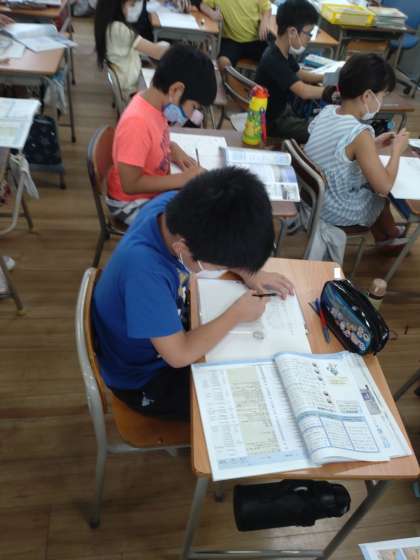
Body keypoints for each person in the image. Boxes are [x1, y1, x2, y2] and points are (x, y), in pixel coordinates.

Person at [93, 166, 294, 420]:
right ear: (183, 249)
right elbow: (179, 354)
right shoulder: (145, 273)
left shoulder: (174, 209)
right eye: (218, 266)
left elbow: (214, 241)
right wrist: (236, 314)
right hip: (144, 378)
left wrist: (249, 272)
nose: (221, 269)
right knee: (245, 406)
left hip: (163, 336)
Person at [304, 53, 410, 249]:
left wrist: (373, 145)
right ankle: (390, 237)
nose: (382, 101)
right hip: (331, 209)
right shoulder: (360, 134)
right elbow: (384, 187)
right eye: (382, 95)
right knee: (380, 198)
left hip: (311, 198)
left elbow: (339, 151)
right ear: (367, 96)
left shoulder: (328, 112)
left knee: (369, 186)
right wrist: (397, 151)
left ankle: (386, 236)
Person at [106, 44, 217, 225]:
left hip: (151, 191)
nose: (192, 115)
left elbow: (155, 141)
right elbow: (130, 184)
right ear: (176, 90)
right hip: (130, 204)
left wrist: (173, 149)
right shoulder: (136, 122)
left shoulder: (156, 106)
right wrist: (182, 179)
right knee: (199, 222)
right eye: (194, 107)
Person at [255, 0, 324, 144]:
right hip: (271, 122)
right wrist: (330, 91)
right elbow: (303, 91)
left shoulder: (281, 51)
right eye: (308, 33)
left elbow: (299, 74)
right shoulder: (274, 59)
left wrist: (326, 78)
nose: (309, 39)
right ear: (292, 31)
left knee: (314, 124)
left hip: (281, 112)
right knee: (318, 134)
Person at [94, 0, 169, 101]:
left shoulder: (107, 24)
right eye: (130, 5)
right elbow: (157, 52)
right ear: (118, 6)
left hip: (125, 81)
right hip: (130, 88)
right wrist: (168, 45)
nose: (130, 10)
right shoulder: (120, 29)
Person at [198, 0, 273, 72]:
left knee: (272, 61)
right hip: (231, 40)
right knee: (223, 63)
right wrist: (212, 13)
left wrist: (265, 21)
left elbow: (267, 8)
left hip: (255, 40)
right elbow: (202, 4)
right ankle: (231, 81)